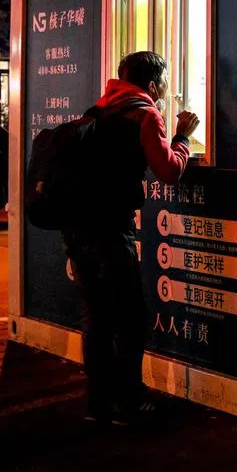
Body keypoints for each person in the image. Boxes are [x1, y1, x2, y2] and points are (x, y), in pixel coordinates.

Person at [64, 51, 199, 424]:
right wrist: (183, 137)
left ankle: (98, 403)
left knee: (97, 317)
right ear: (153, 85)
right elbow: (169, 170)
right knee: (130, 318)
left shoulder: (98, 110)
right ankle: (127, 402)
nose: (167, 91)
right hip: (110, 230)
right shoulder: (145, 113)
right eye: (166, 84)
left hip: (78, 230)